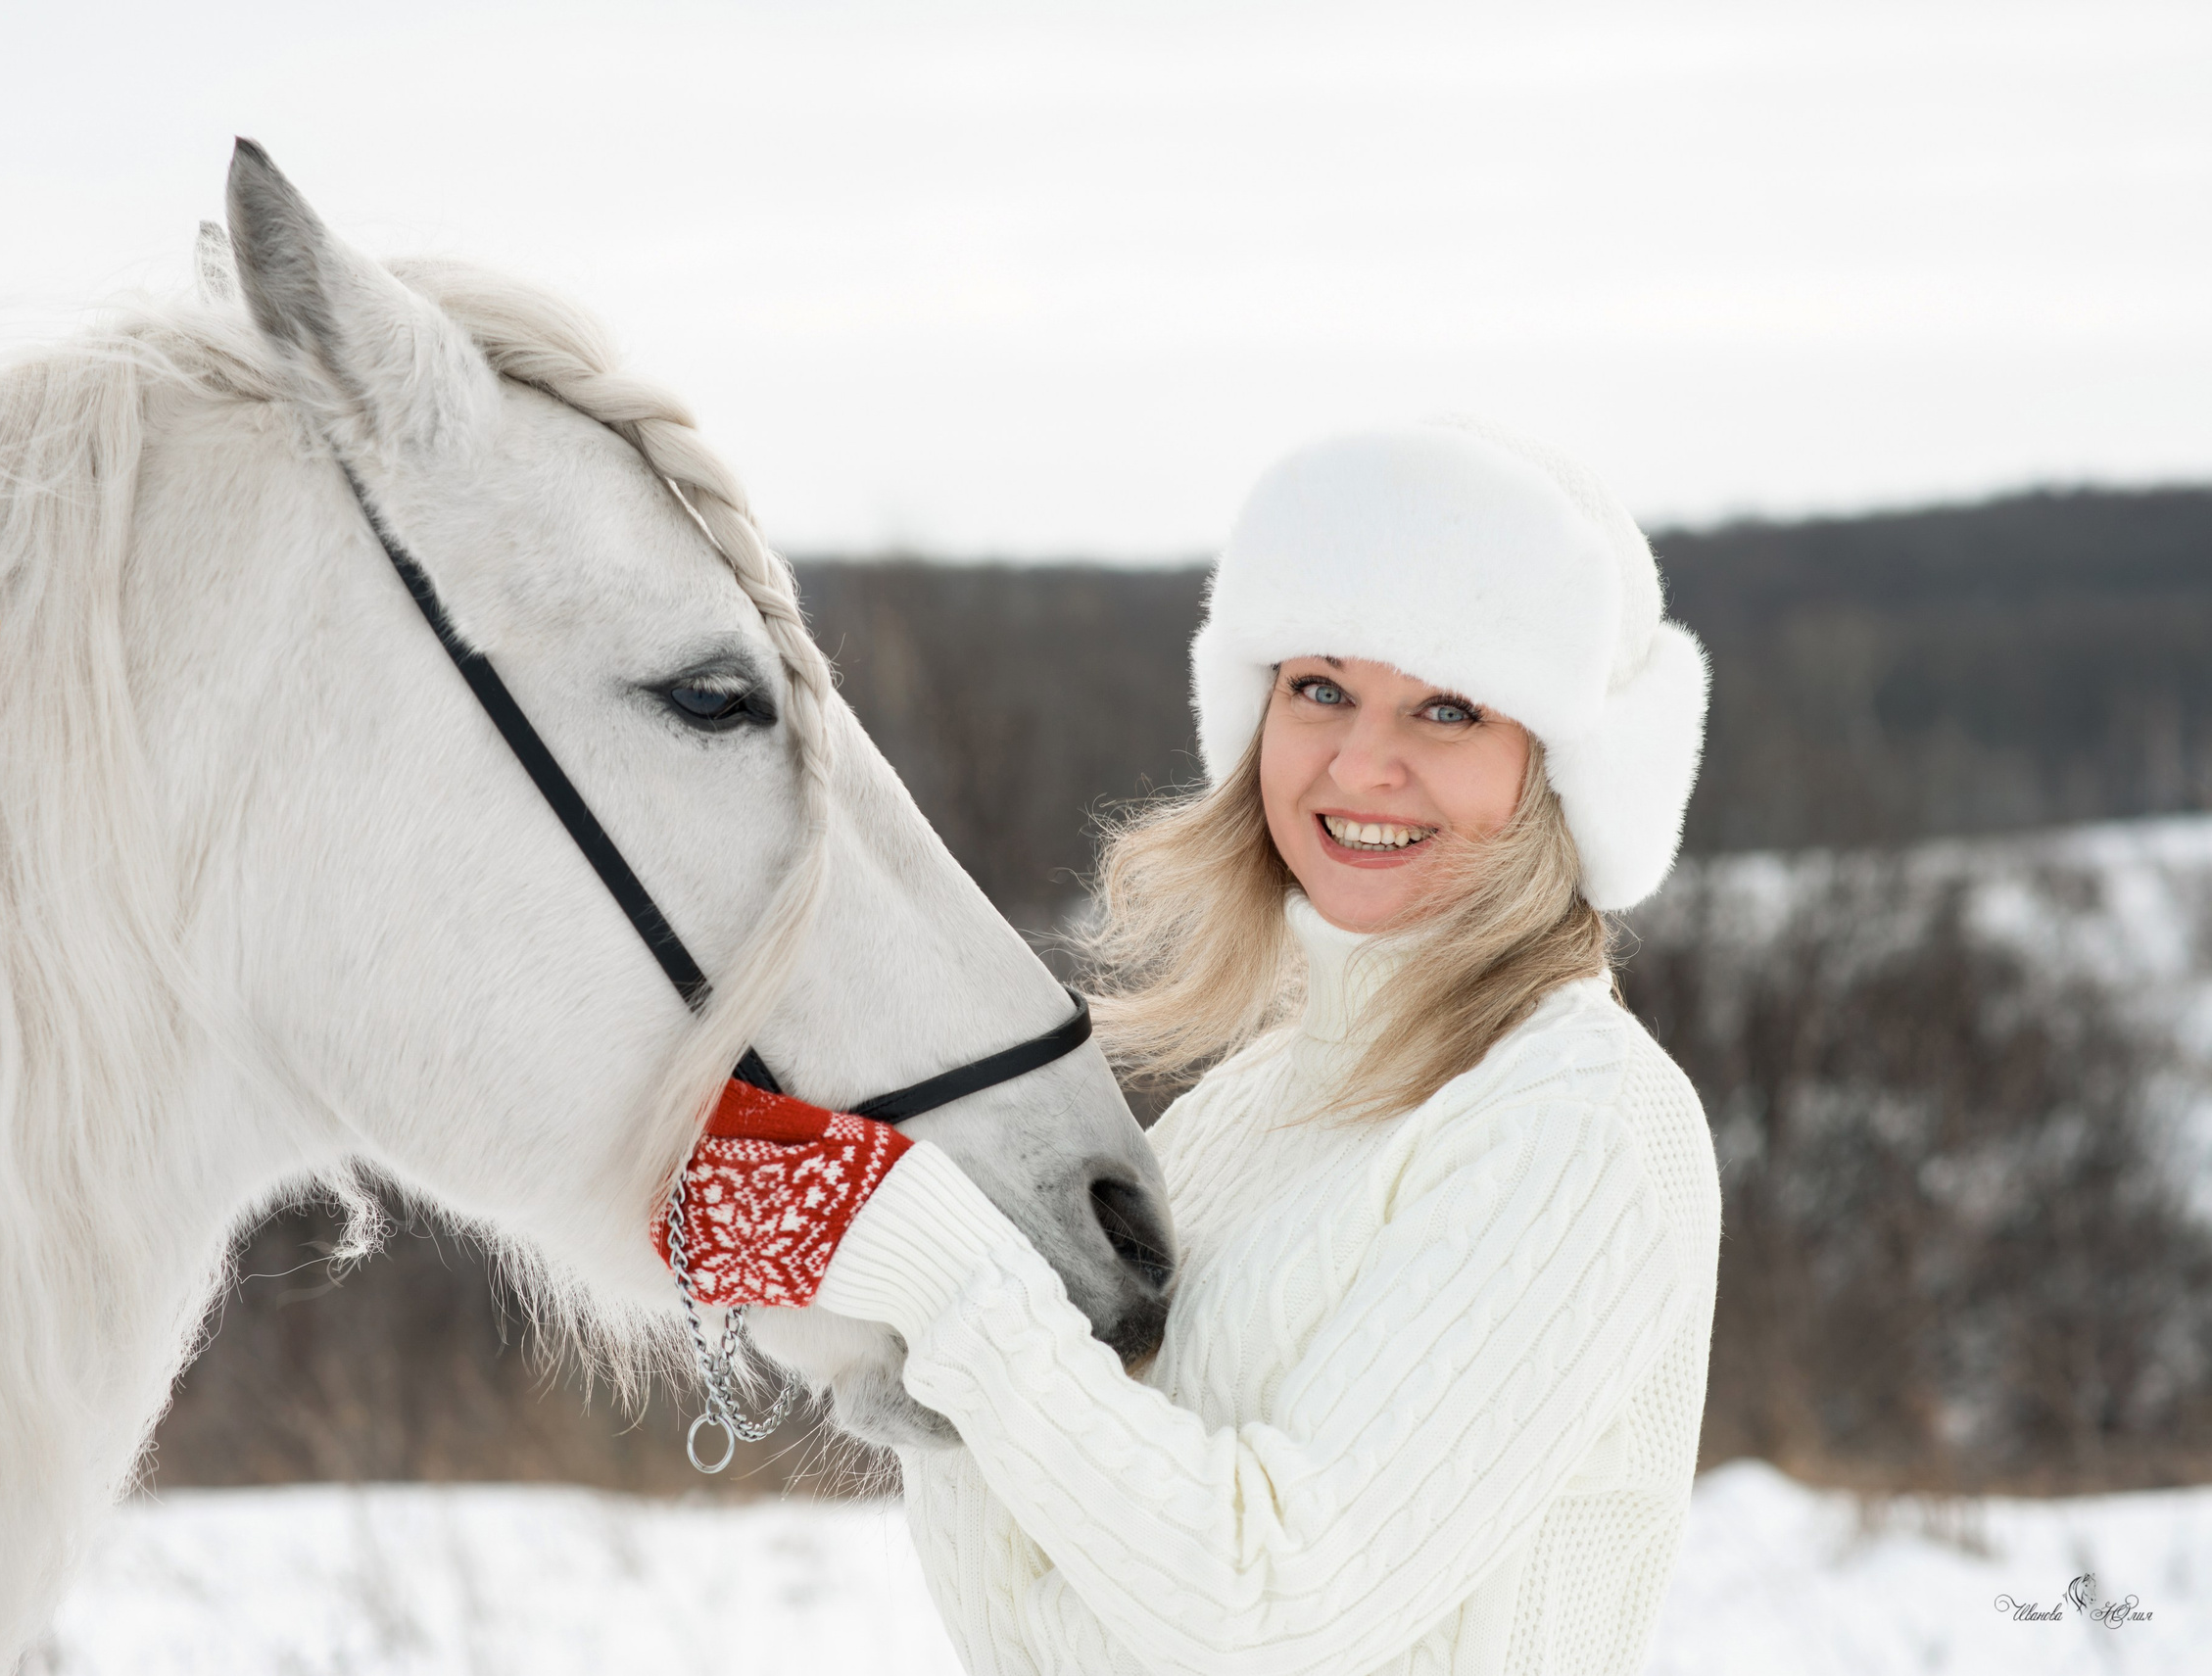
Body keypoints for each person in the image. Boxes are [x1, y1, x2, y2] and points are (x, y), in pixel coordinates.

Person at [670, 418, 1722, 1675]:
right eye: (1319, 688)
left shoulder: (1572, 1126)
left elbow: (1269, 1607)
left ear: (1562, 774)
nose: (1361, 762)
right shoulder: (1250, 1112)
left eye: (1448, 708)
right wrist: (885, 1279)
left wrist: (941, 1271)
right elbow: (1037, 1624)